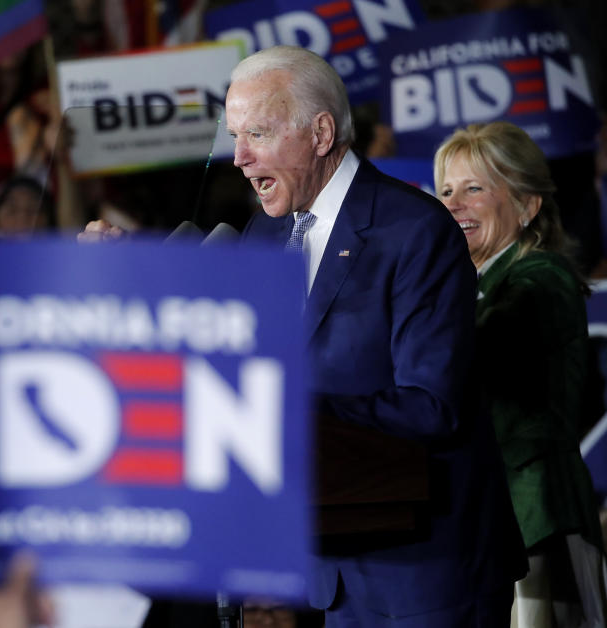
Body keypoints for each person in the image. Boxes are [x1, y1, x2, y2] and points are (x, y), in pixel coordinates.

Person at [84, 44, 526, 626]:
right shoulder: (263, 238)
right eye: (235, 136)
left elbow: (431, 406)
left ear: (320, 132)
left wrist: (281, 408)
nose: (239, 158)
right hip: (324, 572)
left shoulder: (414, 231)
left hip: (425, 573)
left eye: (258, 135)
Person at [435, 121, 607, 627]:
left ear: (528, 206)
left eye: (474, 188)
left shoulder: (542, 278)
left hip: (538, 524)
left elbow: (485, 343)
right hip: (488, 525)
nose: (453, 204)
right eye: (446, 191)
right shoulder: (477, 281)